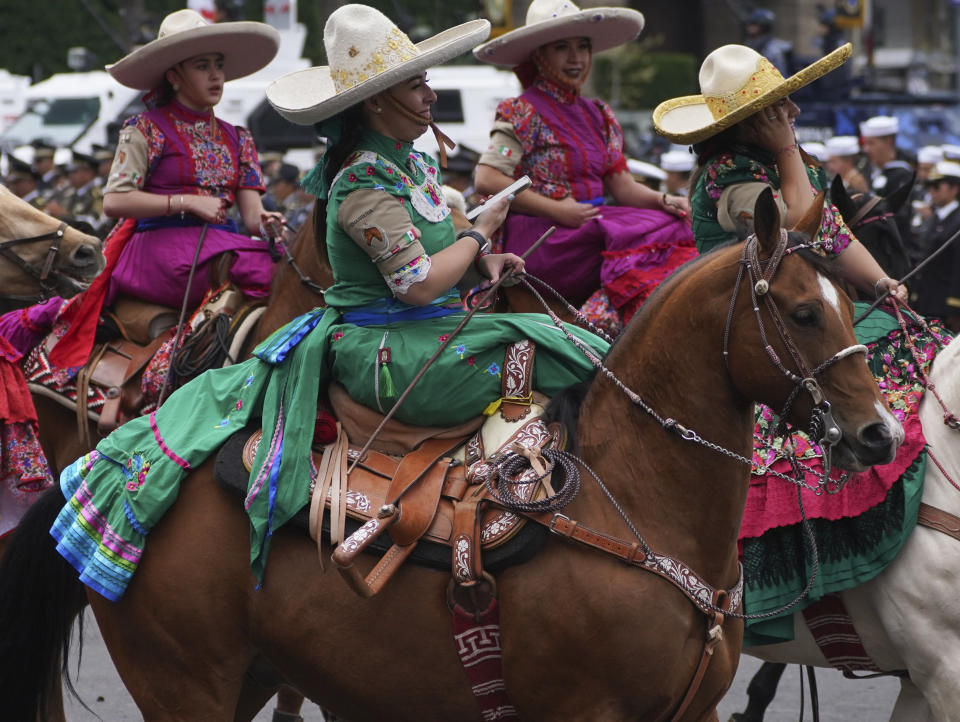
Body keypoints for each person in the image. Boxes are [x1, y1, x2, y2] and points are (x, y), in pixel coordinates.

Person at [50, 3, 609, 604]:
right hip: (387, 348)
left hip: (429, 324)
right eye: (415, 83)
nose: (429, 93)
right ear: (375, 102)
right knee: (561, 349)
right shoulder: (364, 180)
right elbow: (418, 284)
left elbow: (439, 245)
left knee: (578, 343)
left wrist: (484, 260)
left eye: (425, 79)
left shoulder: (414, 161)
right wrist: (479, 233)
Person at [0, 9, 285, 374]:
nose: (216, 75)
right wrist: (187, 202)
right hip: (158, 253)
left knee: (286, 266)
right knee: (258, 268)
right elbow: (115, 201)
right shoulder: (145, 128)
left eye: (218, 64)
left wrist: (268, 221)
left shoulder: (239, 137)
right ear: (174, 76)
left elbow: (251, 216)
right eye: (202, 66)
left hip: (220, 246)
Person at [472, 0, 695, 324]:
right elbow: (487, 180)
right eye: (562, 48)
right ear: (540, 55)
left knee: (676, 223)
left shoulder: (598, 114)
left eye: (583, 47)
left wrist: (664, 200)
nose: (576, 58)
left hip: (589, 227)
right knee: (636, 235)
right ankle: (599, 319)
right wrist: (558, 209)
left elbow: (622, 186)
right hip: (543, 235)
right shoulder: (519, 111)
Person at [652, 42, 906, 304]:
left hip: (801, 307)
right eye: (781, 104)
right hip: (746, 314)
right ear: (752, 120)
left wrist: (880, 282)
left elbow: (833, 233)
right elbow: (798, 230)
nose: (795, 110)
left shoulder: (794, 164)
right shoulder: (728, 172)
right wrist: (786, 147)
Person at [910, 160, 960, 331]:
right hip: (926, 301)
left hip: (946, 306)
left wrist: (955, 306)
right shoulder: (933, 219)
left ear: (955, 188)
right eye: (929, 185)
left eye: (937, 185)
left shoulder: (957, 220)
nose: (932, 190)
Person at [742, 8, 793, 76]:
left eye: (754, 24)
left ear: (764, 26)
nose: (750, 27)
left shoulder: (774, 50)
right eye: (750, 23)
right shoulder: (749, 44)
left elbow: (779, 76)